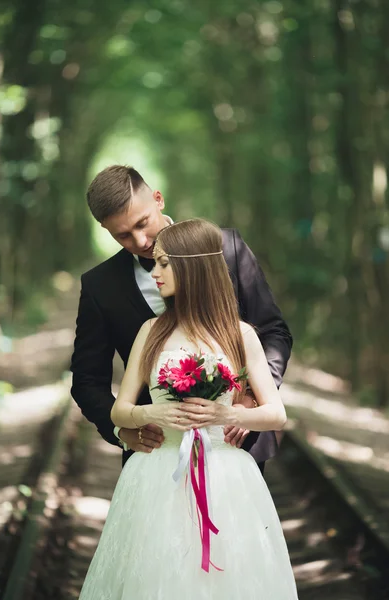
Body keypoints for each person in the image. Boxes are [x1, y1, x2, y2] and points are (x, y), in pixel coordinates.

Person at [78, 219, 298, 599]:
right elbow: (122, 409)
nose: (156, 272)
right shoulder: (151, 331)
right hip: (157, 472)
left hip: (227, 475)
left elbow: (276, 414)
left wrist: (228, 415)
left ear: (193, 268)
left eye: (164, 263)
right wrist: (150, 414)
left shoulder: (240, 334)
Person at [71, 165, 292, 470]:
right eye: (123, 235)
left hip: (235, 445)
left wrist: (251, 399)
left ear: (158, 199)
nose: (141, 241)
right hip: (154, 455)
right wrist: (123, 431)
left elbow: (273, 331)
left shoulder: (225, 248)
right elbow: (87, 379)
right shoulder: (99, 286)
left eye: (143, 223)